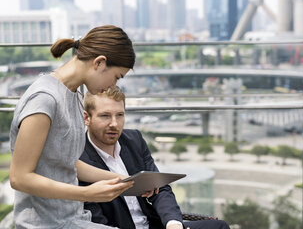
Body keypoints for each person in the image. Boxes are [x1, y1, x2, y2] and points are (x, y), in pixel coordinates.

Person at [9, 25, 156, 228]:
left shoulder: (75, 95)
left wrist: (125, 181)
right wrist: (87, 193)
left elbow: (67, 162)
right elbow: (19, 178)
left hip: (74, 220)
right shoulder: (44, 99)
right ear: (99, 62)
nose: (114, 86)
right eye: (116, 77)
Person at [79, 86, 230, 229]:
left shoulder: (134, 140)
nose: (114, 123)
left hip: (153, 224)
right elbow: (97, 220)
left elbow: (160, 188)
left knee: (219, 226)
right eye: (105, 116)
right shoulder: (79, 159)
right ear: (87, 118)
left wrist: (173, 224)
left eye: (120, 115)